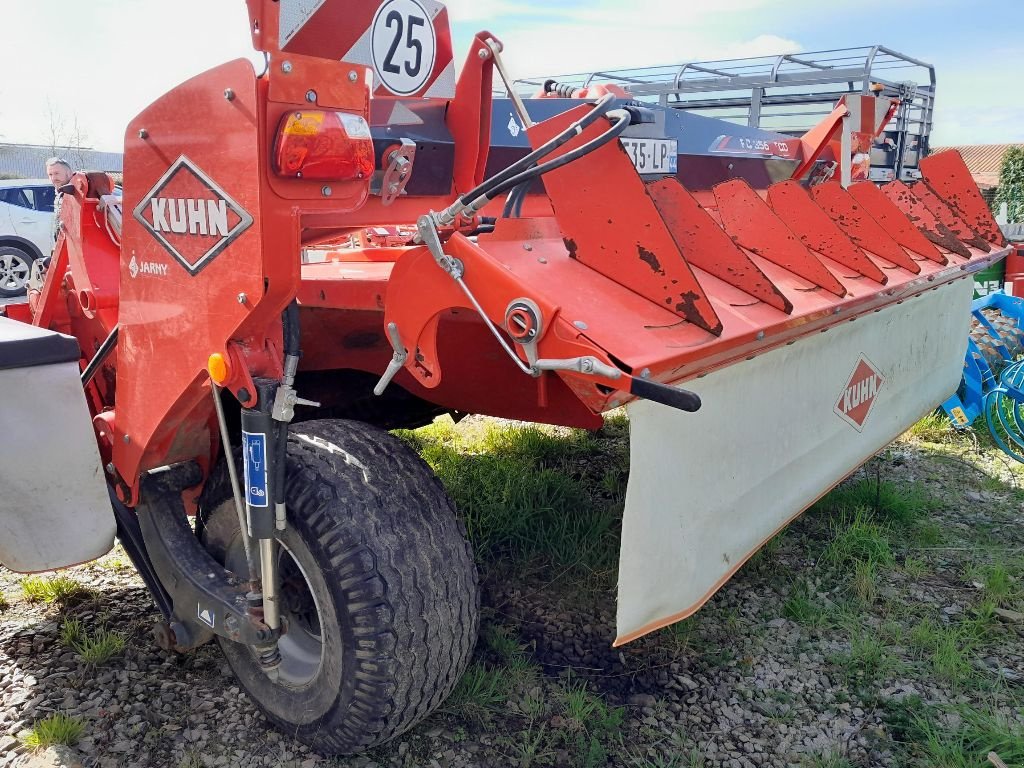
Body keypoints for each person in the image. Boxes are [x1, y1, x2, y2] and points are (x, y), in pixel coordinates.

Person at [44, 157, 74, 241]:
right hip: (62, 244)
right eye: (50, 175)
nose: (53, 178)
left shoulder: (78, 192)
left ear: (69, 173)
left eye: (56, 173)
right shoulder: (59, 192)